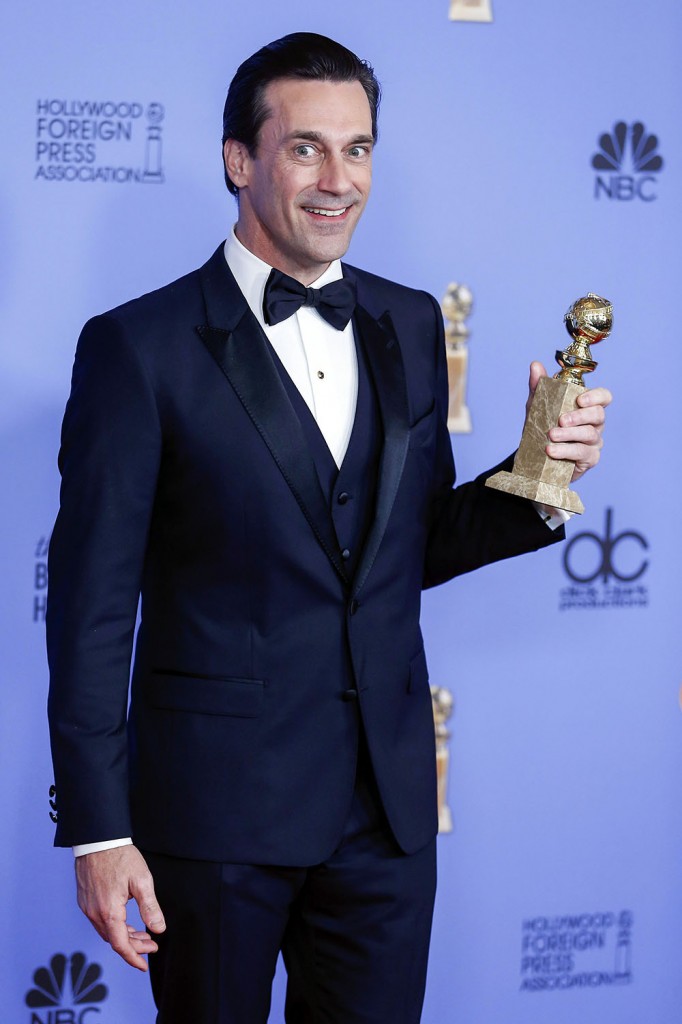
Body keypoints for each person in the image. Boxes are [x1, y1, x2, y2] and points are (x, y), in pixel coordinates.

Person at [47, 32, 611, 1024]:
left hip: (385, 820)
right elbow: (91, 612)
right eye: (306, 147)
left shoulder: (407, 321)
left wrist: (535, 476)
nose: (336, 180)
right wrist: (98, 831)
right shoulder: (137, 348)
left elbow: (410, 547)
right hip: (216, 816)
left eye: (357, 150)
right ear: (239, 160)